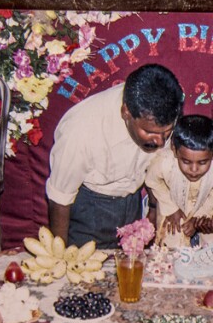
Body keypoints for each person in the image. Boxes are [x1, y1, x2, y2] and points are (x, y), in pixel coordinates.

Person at [46, 63, 184, 248]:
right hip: (90, 210)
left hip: (132, 202)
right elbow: (60, 199)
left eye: (166, 132)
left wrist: (152, 208)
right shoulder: (80, 130)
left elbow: (155, 165)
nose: (159, 141)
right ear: (126, 112)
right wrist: (59, 258)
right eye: (149, 132)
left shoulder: (163, 112)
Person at [145, 115, 213, 248]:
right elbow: (153, 181)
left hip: (205, 210)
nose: (194, 170)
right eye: (186, 161)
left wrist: (199, 219)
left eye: (203, 162)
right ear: (174, 150)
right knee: (171, 246)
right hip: (172, 209)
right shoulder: (164, 162)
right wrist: (171, 208)